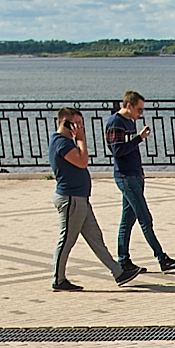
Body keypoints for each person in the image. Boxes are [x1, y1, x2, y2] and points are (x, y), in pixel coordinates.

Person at [52, 108, 134, 292]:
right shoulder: (61, 143)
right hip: (71, 198)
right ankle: (58, 279)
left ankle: (118, 273)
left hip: (80, 198)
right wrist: (80, 139)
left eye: (81, 124)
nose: (81, 127)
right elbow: (82, 162)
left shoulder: (65, 142)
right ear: (66, 123)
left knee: (95, 237)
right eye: (77, 124)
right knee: (67, 239)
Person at [104, 91, 175, 275]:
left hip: (134, 175)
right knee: (145, 218)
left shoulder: (129, 122)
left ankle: (123, 260)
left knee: (127, 220)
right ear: (128, 105)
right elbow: (117, 151)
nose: (140, 114)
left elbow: (129, 150)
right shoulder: (115, 123)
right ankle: (162, 258)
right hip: (125, 177)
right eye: (139, 110)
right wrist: (139, 138)